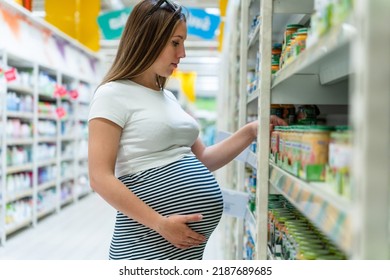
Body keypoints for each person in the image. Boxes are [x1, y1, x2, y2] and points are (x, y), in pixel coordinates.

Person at [88, 0, 287, 260]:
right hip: (144, 247)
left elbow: (203, 160)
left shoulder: (168, 98)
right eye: (175, 42)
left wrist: (251, 131)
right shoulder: (112, 94)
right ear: (148, 39)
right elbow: (99, 177)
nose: (182, 53)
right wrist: (161, 224)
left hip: (182, 251)